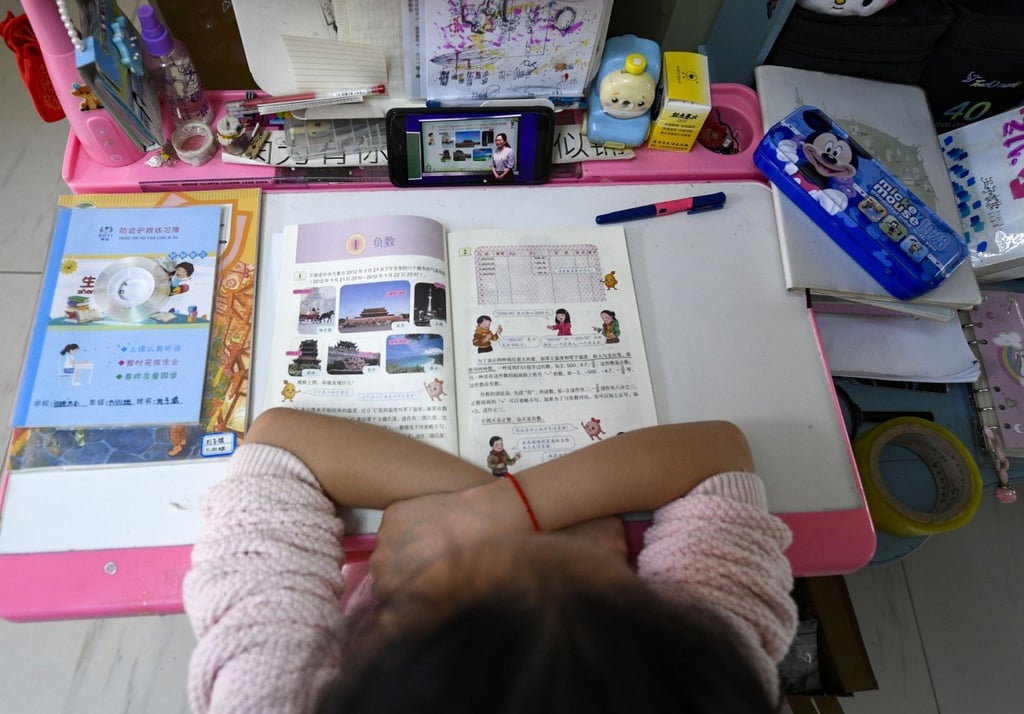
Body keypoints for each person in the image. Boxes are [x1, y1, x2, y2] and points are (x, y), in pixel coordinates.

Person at [184, 410, 797, 714]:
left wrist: (476, 516)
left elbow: (281, 445)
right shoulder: (702, 683)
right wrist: (519, 515)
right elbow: (718, 456)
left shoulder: (268, 697)